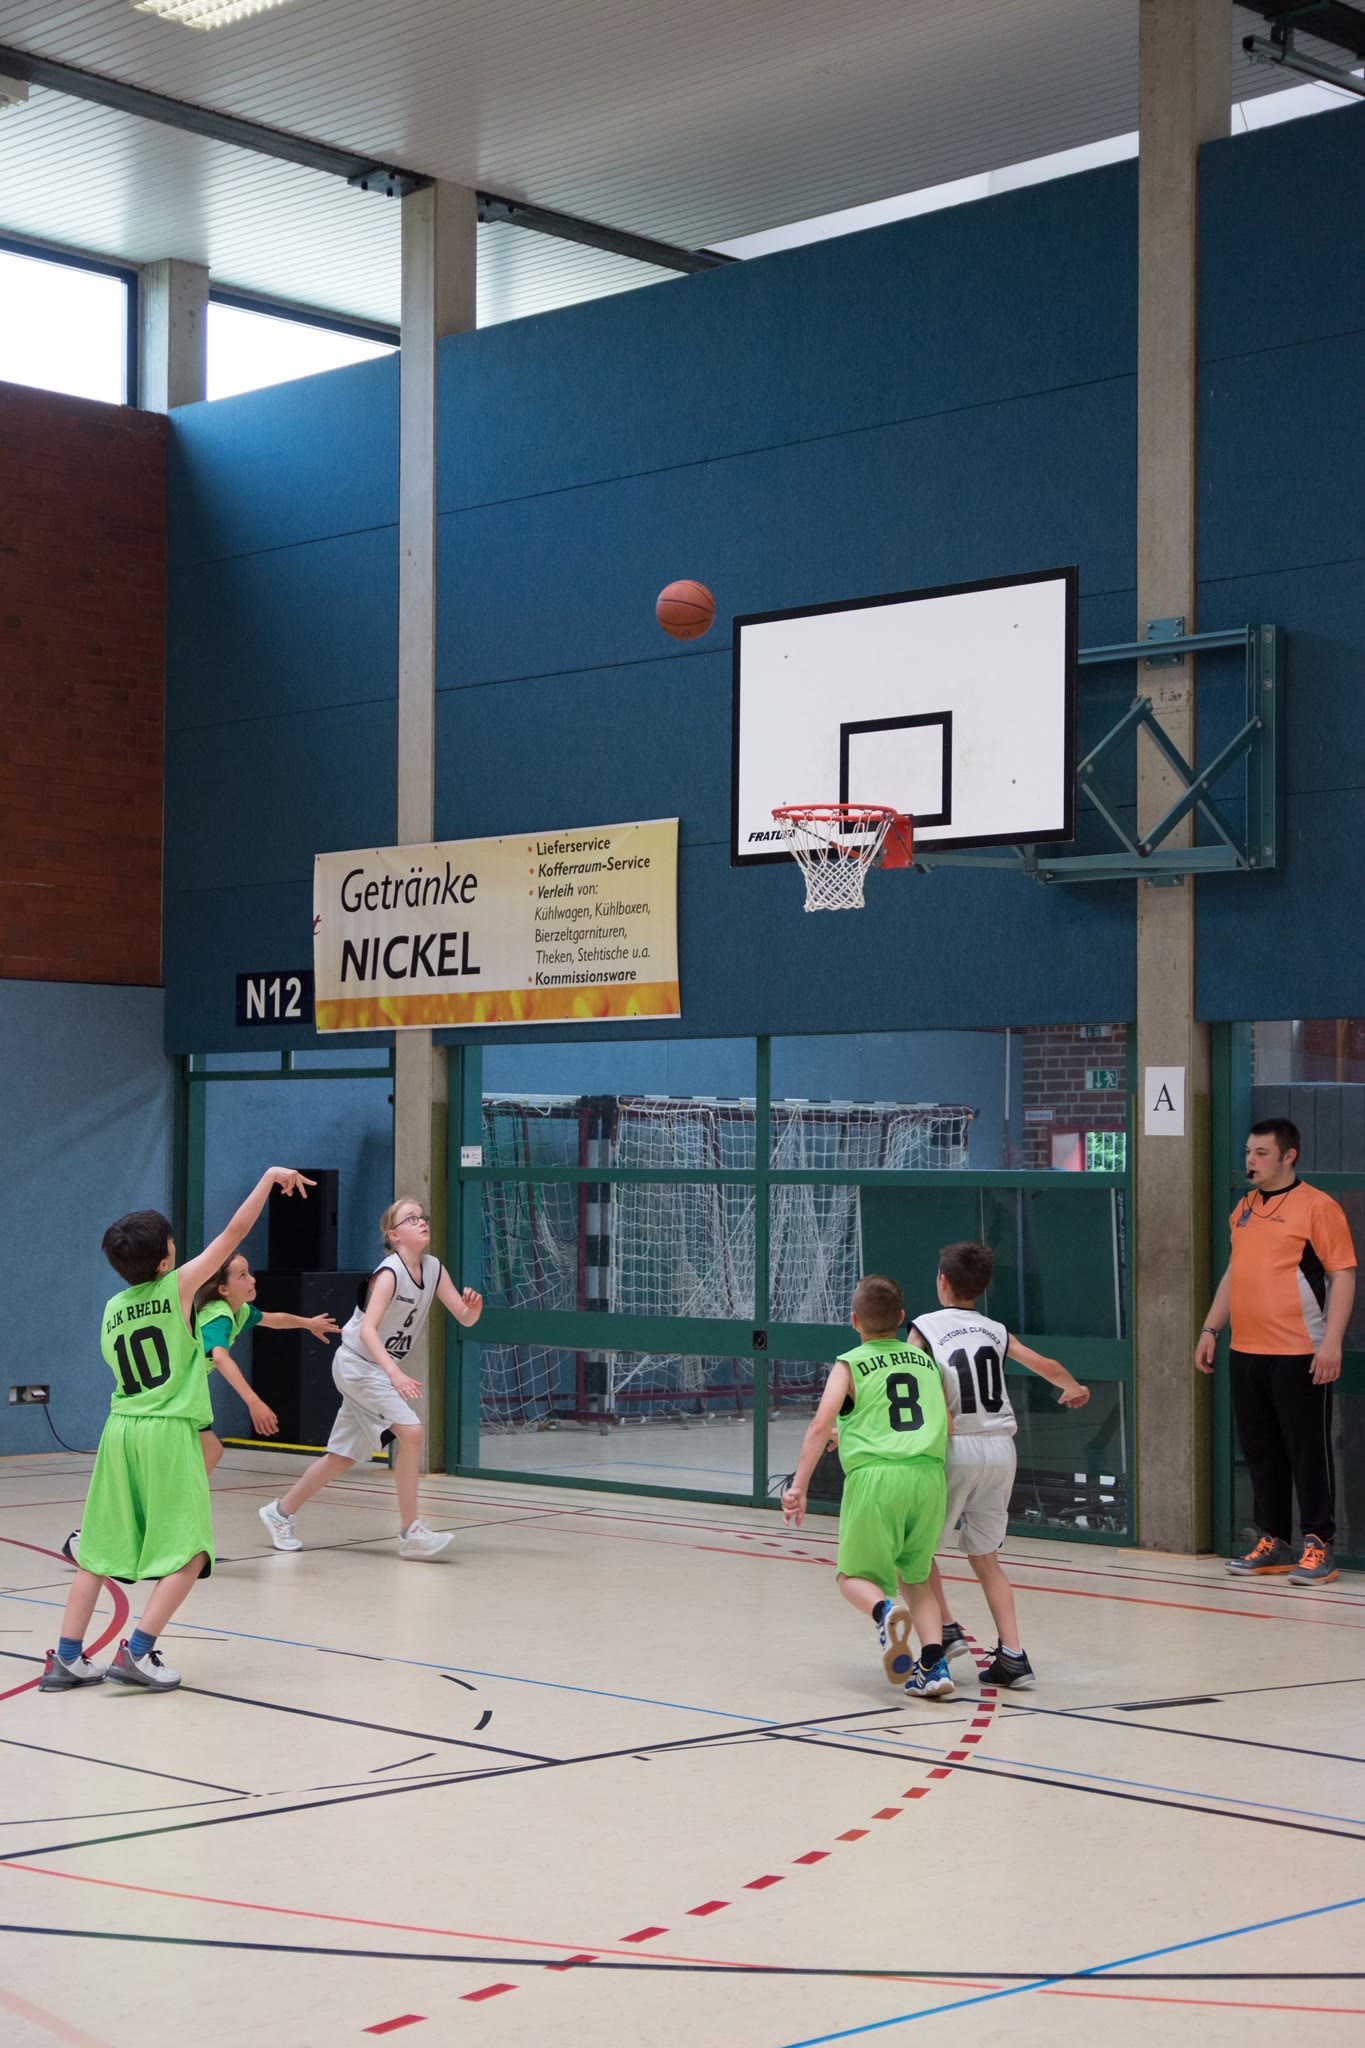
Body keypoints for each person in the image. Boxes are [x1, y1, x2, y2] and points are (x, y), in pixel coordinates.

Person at [41, 1167, 314, 1695]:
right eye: (171, 1243)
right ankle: (137, 1652)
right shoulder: (180, 1287)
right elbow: (234, 1232)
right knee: (191, 1554)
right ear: (166, 1261)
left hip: (119, 1429)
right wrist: (267, 1179)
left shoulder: (112, 1308)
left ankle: (67, 1659)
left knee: (95, 1550)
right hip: (167, 1432)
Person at [259, 1197, 483, 1560]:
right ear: (394, 1235)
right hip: (358, 1364)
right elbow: (368, 1331)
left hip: (374, 1368)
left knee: (342, 1456)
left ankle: (279, 1512)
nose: (421, 1221)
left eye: (422, 1216)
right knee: (412, 1433)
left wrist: (473, 1308)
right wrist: (394, 1373)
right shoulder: (389, 1274)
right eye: (411, 1219)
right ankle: (410, 1532)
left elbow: (464, 1316)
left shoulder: (434, 1269)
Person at [910, 1241, 1089, 1691]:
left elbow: (913, 1379)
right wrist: (1072, 1386)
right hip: (1001, 1450)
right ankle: (1013, 1655)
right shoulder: (995, 1329)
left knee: (917, 1552)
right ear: (983, 1288)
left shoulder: (925, 1327)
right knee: (987, 1558)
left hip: (956, 1447)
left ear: (942, 1281)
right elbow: (1044, 1364)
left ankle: (944, 1630)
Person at [1198, 1117, 1356, 1587]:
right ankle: (1275, 1542)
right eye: (1248, 1152)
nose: (1250, 1161)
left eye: (1261, 1153)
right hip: (1247, 1350)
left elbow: (1343, 1275)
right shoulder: (1244, 1208)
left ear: (1289, 1156)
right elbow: (1235, 1271)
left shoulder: (1318, 1207)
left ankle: (1319, 1544)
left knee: (1307, 1452)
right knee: (1262, 1451)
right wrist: (1211, 1327)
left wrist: (1332, 1342)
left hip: (1299, 1352)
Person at [782, 1272, 955, 1700]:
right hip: (929, 1478)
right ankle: (934, 1667)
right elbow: (941, 1422)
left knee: (852, 1576)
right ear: (901, 1316)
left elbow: (820, 1424)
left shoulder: (851, 1363)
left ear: (854, 1320)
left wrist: (799, 1486)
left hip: (876, 1479)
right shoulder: (926, 1361)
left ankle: (884, 1611)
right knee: (917, 1578)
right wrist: (853, 1430)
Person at [194, 1254, 338, 1471]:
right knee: (206, 1452)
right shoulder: (218, 1316)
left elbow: (275, 1320)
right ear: (223, 1289)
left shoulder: (239, 1311)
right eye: (242, 1275)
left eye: (249, 1272)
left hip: (188, 1389)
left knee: (211, 1451)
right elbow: (220, 1357)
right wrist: (254, 1402)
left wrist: (309, 1323)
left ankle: (186, 1494)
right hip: (175, 1390)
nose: (252, 1279)